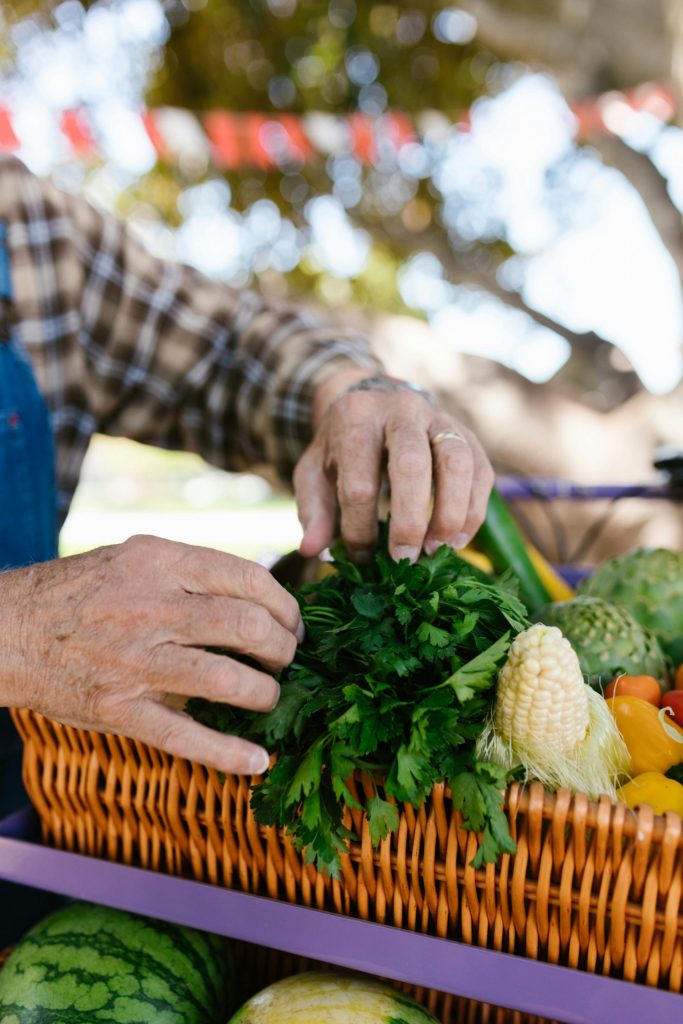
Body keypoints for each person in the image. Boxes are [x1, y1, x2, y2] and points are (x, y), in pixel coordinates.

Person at [0, 153, 494, 799]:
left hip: (27, 781)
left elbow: (226, 346)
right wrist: (22, 630)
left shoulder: (25, 223)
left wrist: (349, 393)